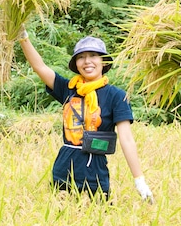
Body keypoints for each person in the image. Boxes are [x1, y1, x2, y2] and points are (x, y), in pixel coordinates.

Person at [16, 31, 153, 203]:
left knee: (96, 221)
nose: (87, 61)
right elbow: (39, 67)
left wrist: (139, 180)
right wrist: (23, 37)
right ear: (76, 63)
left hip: (94, 170)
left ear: (103, 62)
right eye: (81, 57)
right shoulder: (68, 88)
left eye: (93, 56)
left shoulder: (116, 96)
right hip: (64, 167)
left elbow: (126, 139)